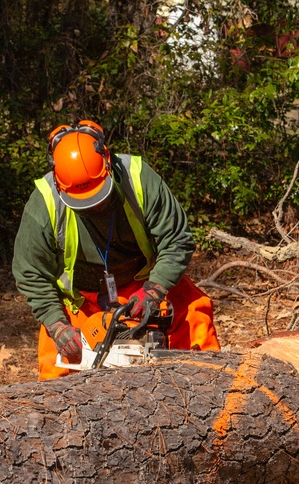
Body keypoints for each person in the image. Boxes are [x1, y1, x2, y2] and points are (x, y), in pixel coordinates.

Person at [12, 119, 220, 380]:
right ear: (58, 183)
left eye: (98, 197)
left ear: (108, 162)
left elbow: (177, 239)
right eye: (83, 203)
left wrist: (155, 289)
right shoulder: (44, 205)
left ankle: (210, 388)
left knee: (193, 314)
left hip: (143, 282)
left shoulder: (138, 179)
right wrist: (56, 324)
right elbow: (30, 273)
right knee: (57, 366)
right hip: (81, 300)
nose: (93, 207)